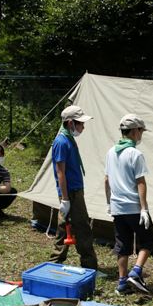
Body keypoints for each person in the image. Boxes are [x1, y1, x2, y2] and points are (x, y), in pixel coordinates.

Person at [104, 114, 153, 295]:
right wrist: (144, 209)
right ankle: (137, 272)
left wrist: (109, 203)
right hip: (133, 206)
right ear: (134, 131)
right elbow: (141, 182)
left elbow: (106, 180)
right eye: (140, 131)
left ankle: (122, 283)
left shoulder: (111, 152)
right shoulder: (135, 154)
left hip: (117, 207)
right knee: (148, 239)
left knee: (122, 244)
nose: (141, 135)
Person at [50, 105, 99, 270]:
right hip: (70, 192)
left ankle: (54, 263)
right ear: (70, 123)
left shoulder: (68, 139)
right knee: (82, 228)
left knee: (65, 227)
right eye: (81, 123)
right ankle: (89, 266)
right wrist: (65, 198)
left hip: (75, 190)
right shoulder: (61, 141)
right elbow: (60, 172)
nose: (83, 127)